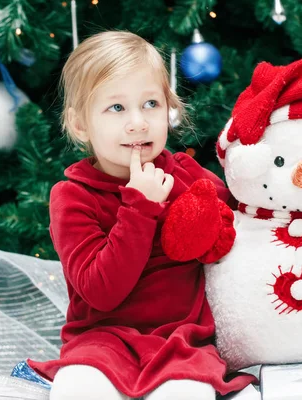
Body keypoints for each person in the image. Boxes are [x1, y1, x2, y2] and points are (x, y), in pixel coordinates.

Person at [27, 30, 255, 400]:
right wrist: (140, 207)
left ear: (170, 109)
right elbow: (101, 292)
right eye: (116, 108)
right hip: (101, 341)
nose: (138, 122)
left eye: (151, 103)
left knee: (185, 392)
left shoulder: (185, 174)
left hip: (182, 340)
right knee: (77, 388)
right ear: (80, 124)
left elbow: (240, 224)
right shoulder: (72, 197)